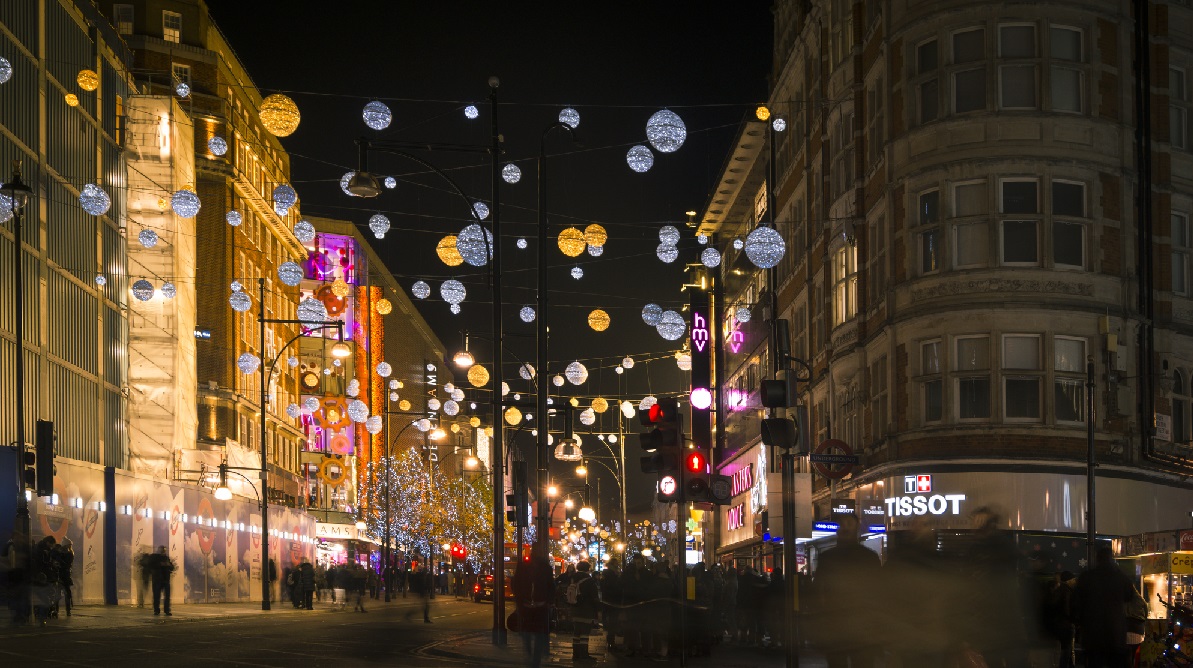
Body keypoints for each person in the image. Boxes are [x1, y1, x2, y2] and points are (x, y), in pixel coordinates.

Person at [810, 513, 882, 668]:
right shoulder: (869, 557)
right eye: (843, 524)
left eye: (849, 523)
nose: (845, 527)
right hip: (857, 627)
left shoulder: (828, 558)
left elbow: (818, 592)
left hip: (841, 626)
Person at [1072, 546, 1136, 668]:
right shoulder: (1120, 577)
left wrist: (1080, 622)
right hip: (1115, 633)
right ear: (1111, 558)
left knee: (1095, 663)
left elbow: (1076, 603)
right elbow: (1129, 596)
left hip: (1093, 634)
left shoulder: (1087, 577)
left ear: (1097, 558)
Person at [512, 545, 554, 668]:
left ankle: (535, 659)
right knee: (530, 632)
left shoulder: (545, 567)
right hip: (529, 604)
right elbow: (516, 583)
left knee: (536, 633)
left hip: (537, 604)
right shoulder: (524, 565)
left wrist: (548, 600)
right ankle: (532, 655)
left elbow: (550, 585)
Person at [565, 560, 601, 662]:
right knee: (585, 632)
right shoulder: (589, 580)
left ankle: (576, 654)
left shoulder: (573, 578)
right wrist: (598, 610)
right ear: (588, 569)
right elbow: (594, 597)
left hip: (575, 608)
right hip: (586, 609)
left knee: (576, 632)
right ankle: (584, 654)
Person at [148, 545, 175, 616]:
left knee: (167, 596)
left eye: (164, 550)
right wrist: (160, 564)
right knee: (156, 596)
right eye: (162, 549)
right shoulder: (154, 557)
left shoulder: (166, 558)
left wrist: (168, 565)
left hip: (166, 580)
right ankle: (156, 610)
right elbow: (150, 565)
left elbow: (172, 567)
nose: (163, 551)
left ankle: (167, 610)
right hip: (157, 580)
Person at [54, 539, 74, 617]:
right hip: (65, 576)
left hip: (60, 576)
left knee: (58, 594)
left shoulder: (61, 554)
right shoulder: (69, 553)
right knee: (66, 594)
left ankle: (57, 609)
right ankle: (67, 610)